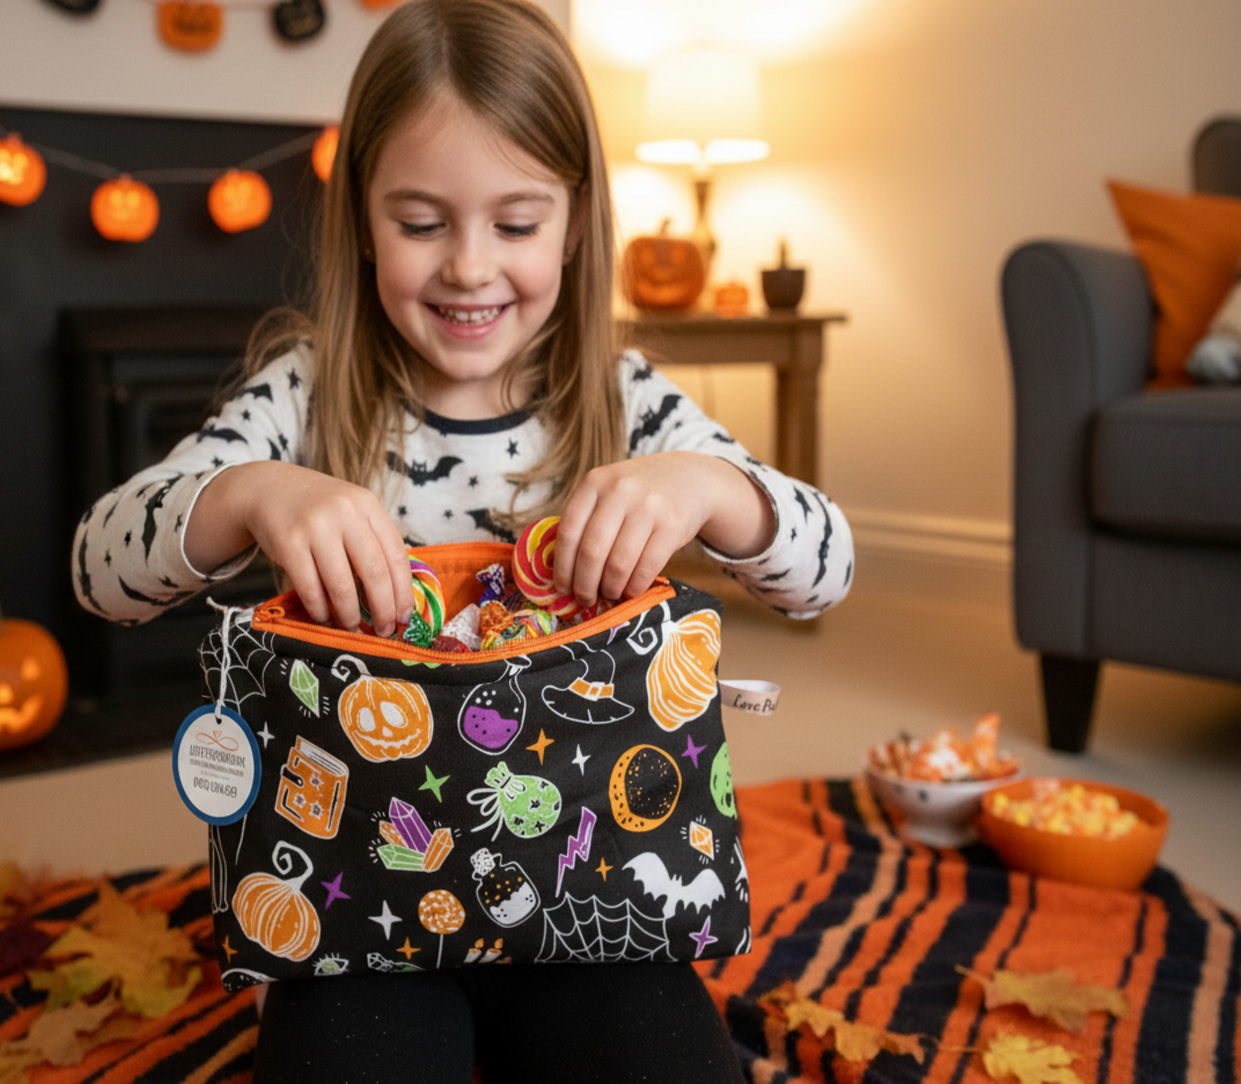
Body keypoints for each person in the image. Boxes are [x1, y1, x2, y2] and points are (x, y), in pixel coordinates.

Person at [72, 0, 853, 1079]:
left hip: (595, 885)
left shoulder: (625, 403)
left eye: (517, 223)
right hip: (351, 907)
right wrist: (250, 493)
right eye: (421, 221)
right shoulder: (303, 397)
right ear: (358, 218)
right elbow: (97, 572)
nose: (469, 268)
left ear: (577, 222)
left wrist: (710, 486)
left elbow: (828, 574)